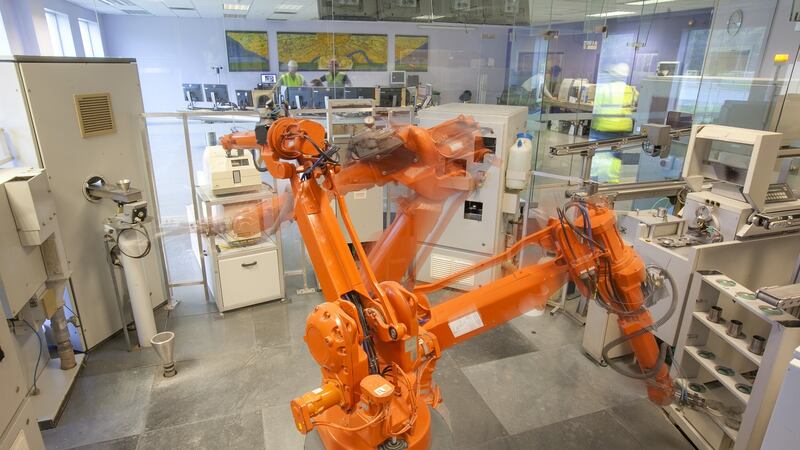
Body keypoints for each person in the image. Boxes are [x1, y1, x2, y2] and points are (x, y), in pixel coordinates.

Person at [590, 62, 638, 141]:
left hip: (605, 126)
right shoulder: (632, 90)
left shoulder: (604, 89)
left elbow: (596, 109)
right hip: (624, 127)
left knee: (597, 148)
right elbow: (634, 104)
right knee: (616, 146)